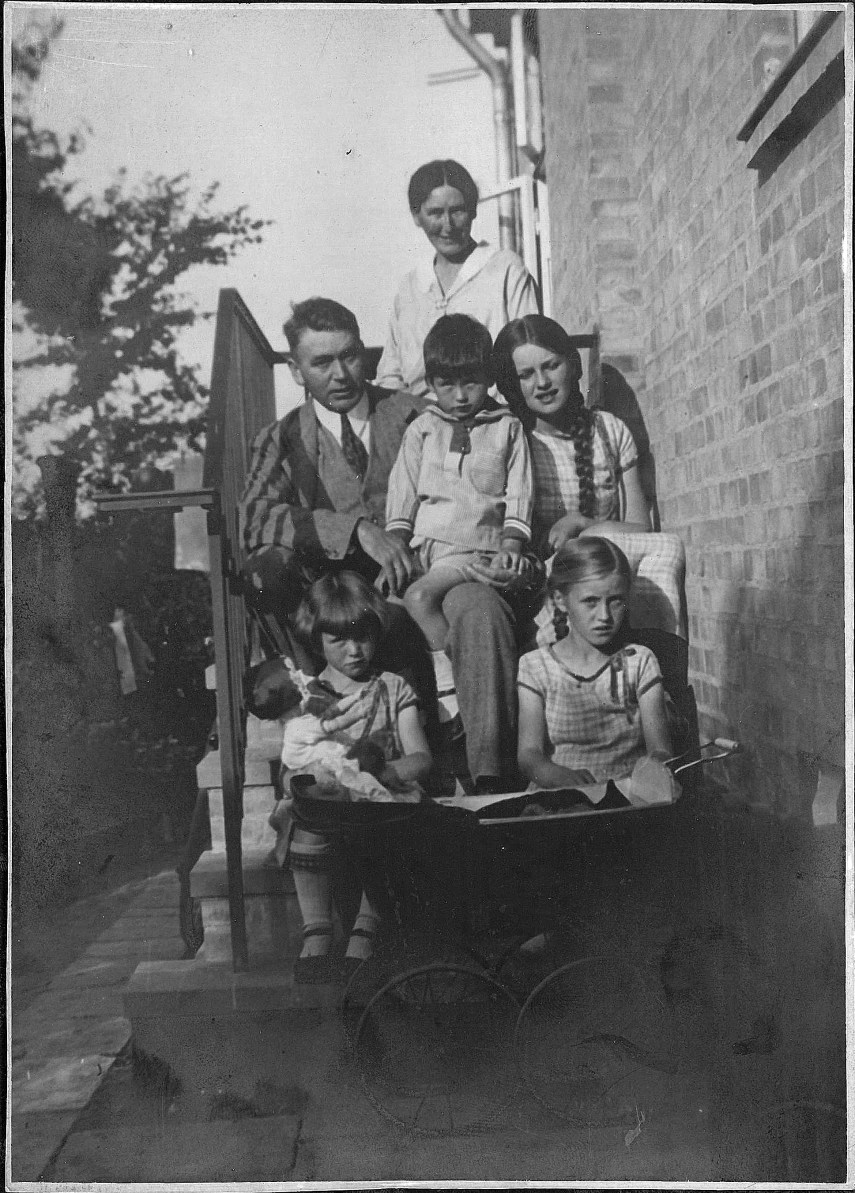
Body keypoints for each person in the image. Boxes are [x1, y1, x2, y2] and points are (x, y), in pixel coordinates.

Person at [239, 296, 523, 794]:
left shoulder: (416, 415)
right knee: (267, 570)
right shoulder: (282, 438)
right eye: (321, 362)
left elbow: (488, 457)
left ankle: (489, 780)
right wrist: (356, 531)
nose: (340, 374)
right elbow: (255, 518)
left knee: (480, 608)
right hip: (339, 595)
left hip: (430, 567)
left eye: (350, 356)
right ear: (296, 370)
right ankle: (327, 714)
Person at [261, 572, 432, 983]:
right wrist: (310, 777)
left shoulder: (392, 687)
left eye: (363, 637)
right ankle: (317, 930)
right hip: (327, 802)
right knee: (303, 814)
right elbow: (290, 767)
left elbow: (421, 758)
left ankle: (365, 929)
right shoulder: (307, 696)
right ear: (316, 639)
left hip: (378, 796)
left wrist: (383, 772)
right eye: (339, 640)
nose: (355, 650)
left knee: (382, 820)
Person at [385, 314, 533, 722]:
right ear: (431, 384)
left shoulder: (507, 428)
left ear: (488, 379)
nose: (461, 396)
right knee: (389, 606)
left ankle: (448, 688)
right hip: (427, 550)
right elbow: (403, 492)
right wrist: (396, 546)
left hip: (474, 548)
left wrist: (511, 543)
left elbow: (520, 492)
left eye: (471, 382)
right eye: (447, 385)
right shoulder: (422, 429)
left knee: (419, 598)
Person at [375, 159, 540, 399]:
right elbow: (390, 376)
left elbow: (530, 354)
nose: (448, 225)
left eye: (457, 211)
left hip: (492, 413)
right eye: (435, 213)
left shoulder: (505, 270)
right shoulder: (409, 289)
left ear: (473, 210)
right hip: (421, 416)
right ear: (416, 216)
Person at [517, 537, 672, 789]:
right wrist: (557, 776)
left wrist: (650, 773)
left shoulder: (640, 661)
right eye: (590, 601)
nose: (604, 616)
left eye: (616, 601)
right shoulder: (535, 666)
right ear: (560, 600)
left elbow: (660, 750)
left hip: (626, 795)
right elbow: (529, 754)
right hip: (560, 795)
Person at [493, 314, 651, 560]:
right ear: (512, 384)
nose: (542, 382)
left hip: (603, 566)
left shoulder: (609, 430)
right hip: (537, 569)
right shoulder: (509, 438)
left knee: (668, 547)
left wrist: (582, 524)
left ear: (572, 365)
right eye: (526, 375)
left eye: (552, 366)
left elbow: (641, 530)